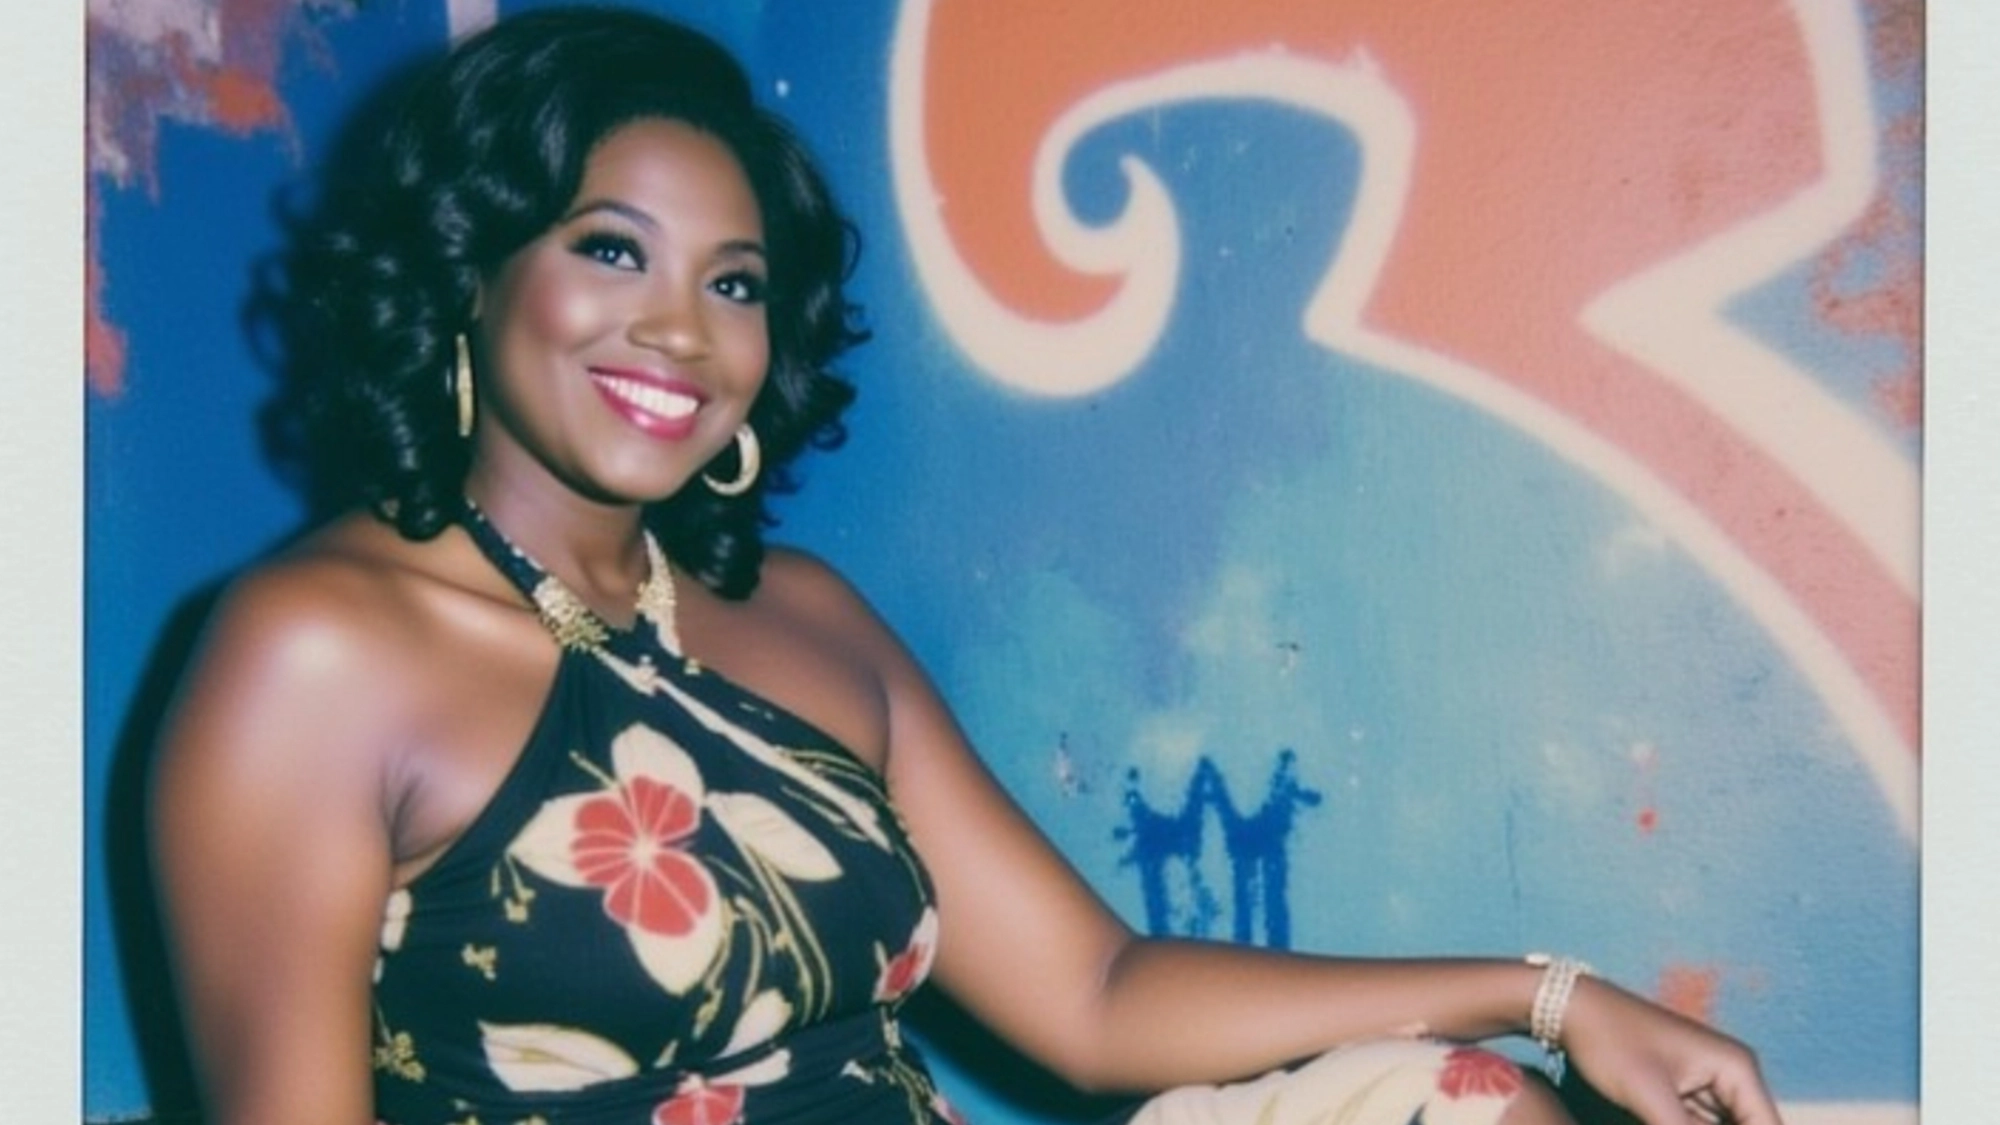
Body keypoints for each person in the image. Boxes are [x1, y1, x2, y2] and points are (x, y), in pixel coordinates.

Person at [149, 7, 1786, 1125]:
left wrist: (1548, 997)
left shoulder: (798, 617)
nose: (680, 330)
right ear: (471, 270)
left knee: (1451, 1109)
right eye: (609, 249)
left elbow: (1096, 991)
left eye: (736, 282)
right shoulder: (315, 651)